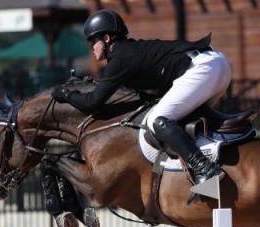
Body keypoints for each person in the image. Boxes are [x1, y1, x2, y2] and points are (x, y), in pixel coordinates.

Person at [52, 9, 231, 187]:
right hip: (218, 63)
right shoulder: (127, 52)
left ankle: (205, 169)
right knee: (186, 123)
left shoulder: (120, 57)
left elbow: (92, 103)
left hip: (203, 68)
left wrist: (64, 94)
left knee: (157, 120)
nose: (91, 47)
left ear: (106, 39)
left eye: (93, 41)